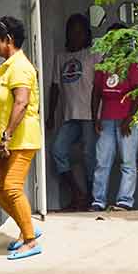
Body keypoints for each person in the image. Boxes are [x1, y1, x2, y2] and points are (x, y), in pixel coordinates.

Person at [0, 15, 43, 260]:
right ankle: (25, 224)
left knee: (11, 187)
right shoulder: (7, 65)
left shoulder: (20, 67)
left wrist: (7, 136)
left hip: (20, 138)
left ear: (9, 40)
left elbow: (21, 102)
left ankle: (30, 239)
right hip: (5, 140)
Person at [48, 14, 100, 212]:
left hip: (89, 114)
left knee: (89, 156)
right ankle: (78, 194)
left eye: (80, 31)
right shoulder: (61, 57)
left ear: (87, 34)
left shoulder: (93, 54)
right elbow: (55, 87)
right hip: (70, 115)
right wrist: (51, 114)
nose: (76, 35)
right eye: (72, 31)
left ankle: (92, 198)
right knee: (58, 150)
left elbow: (101, 83)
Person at [92, 27, 138, 212]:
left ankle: (125, 201)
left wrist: (130, 118)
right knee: (102, 161)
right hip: (107, 118)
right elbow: (96, 92)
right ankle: (98, 201)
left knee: (128, 162)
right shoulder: (104, 63)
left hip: (127, 120)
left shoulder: (132, 63)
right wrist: (95, 117)